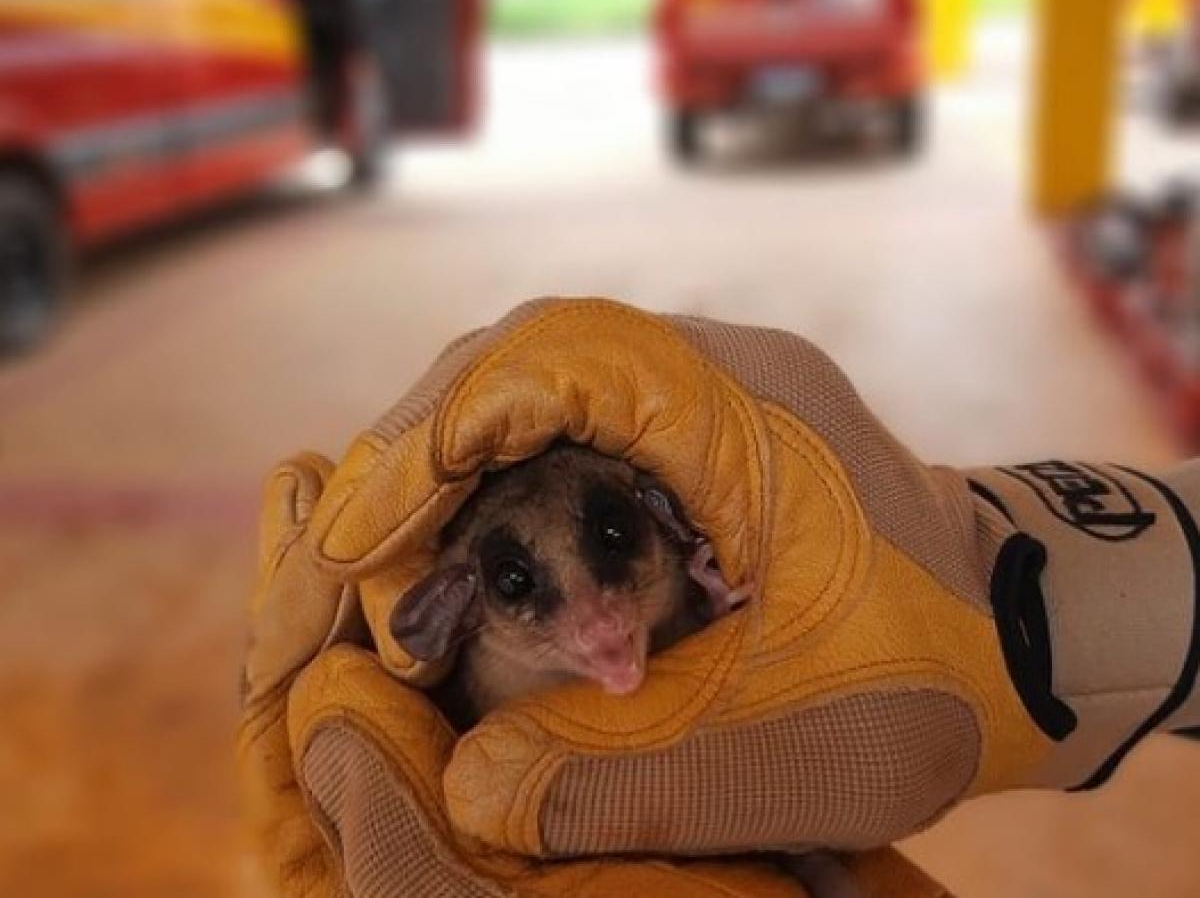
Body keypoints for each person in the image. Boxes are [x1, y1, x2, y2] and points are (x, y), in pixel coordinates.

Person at [239, 298, 1198, 897]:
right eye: (520, 586)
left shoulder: (699, 557)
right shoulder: (468, 665)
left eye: (615, 544)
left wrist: (1014, 618)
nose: (599, 622)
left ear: (661, 520)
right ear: (456, 602)